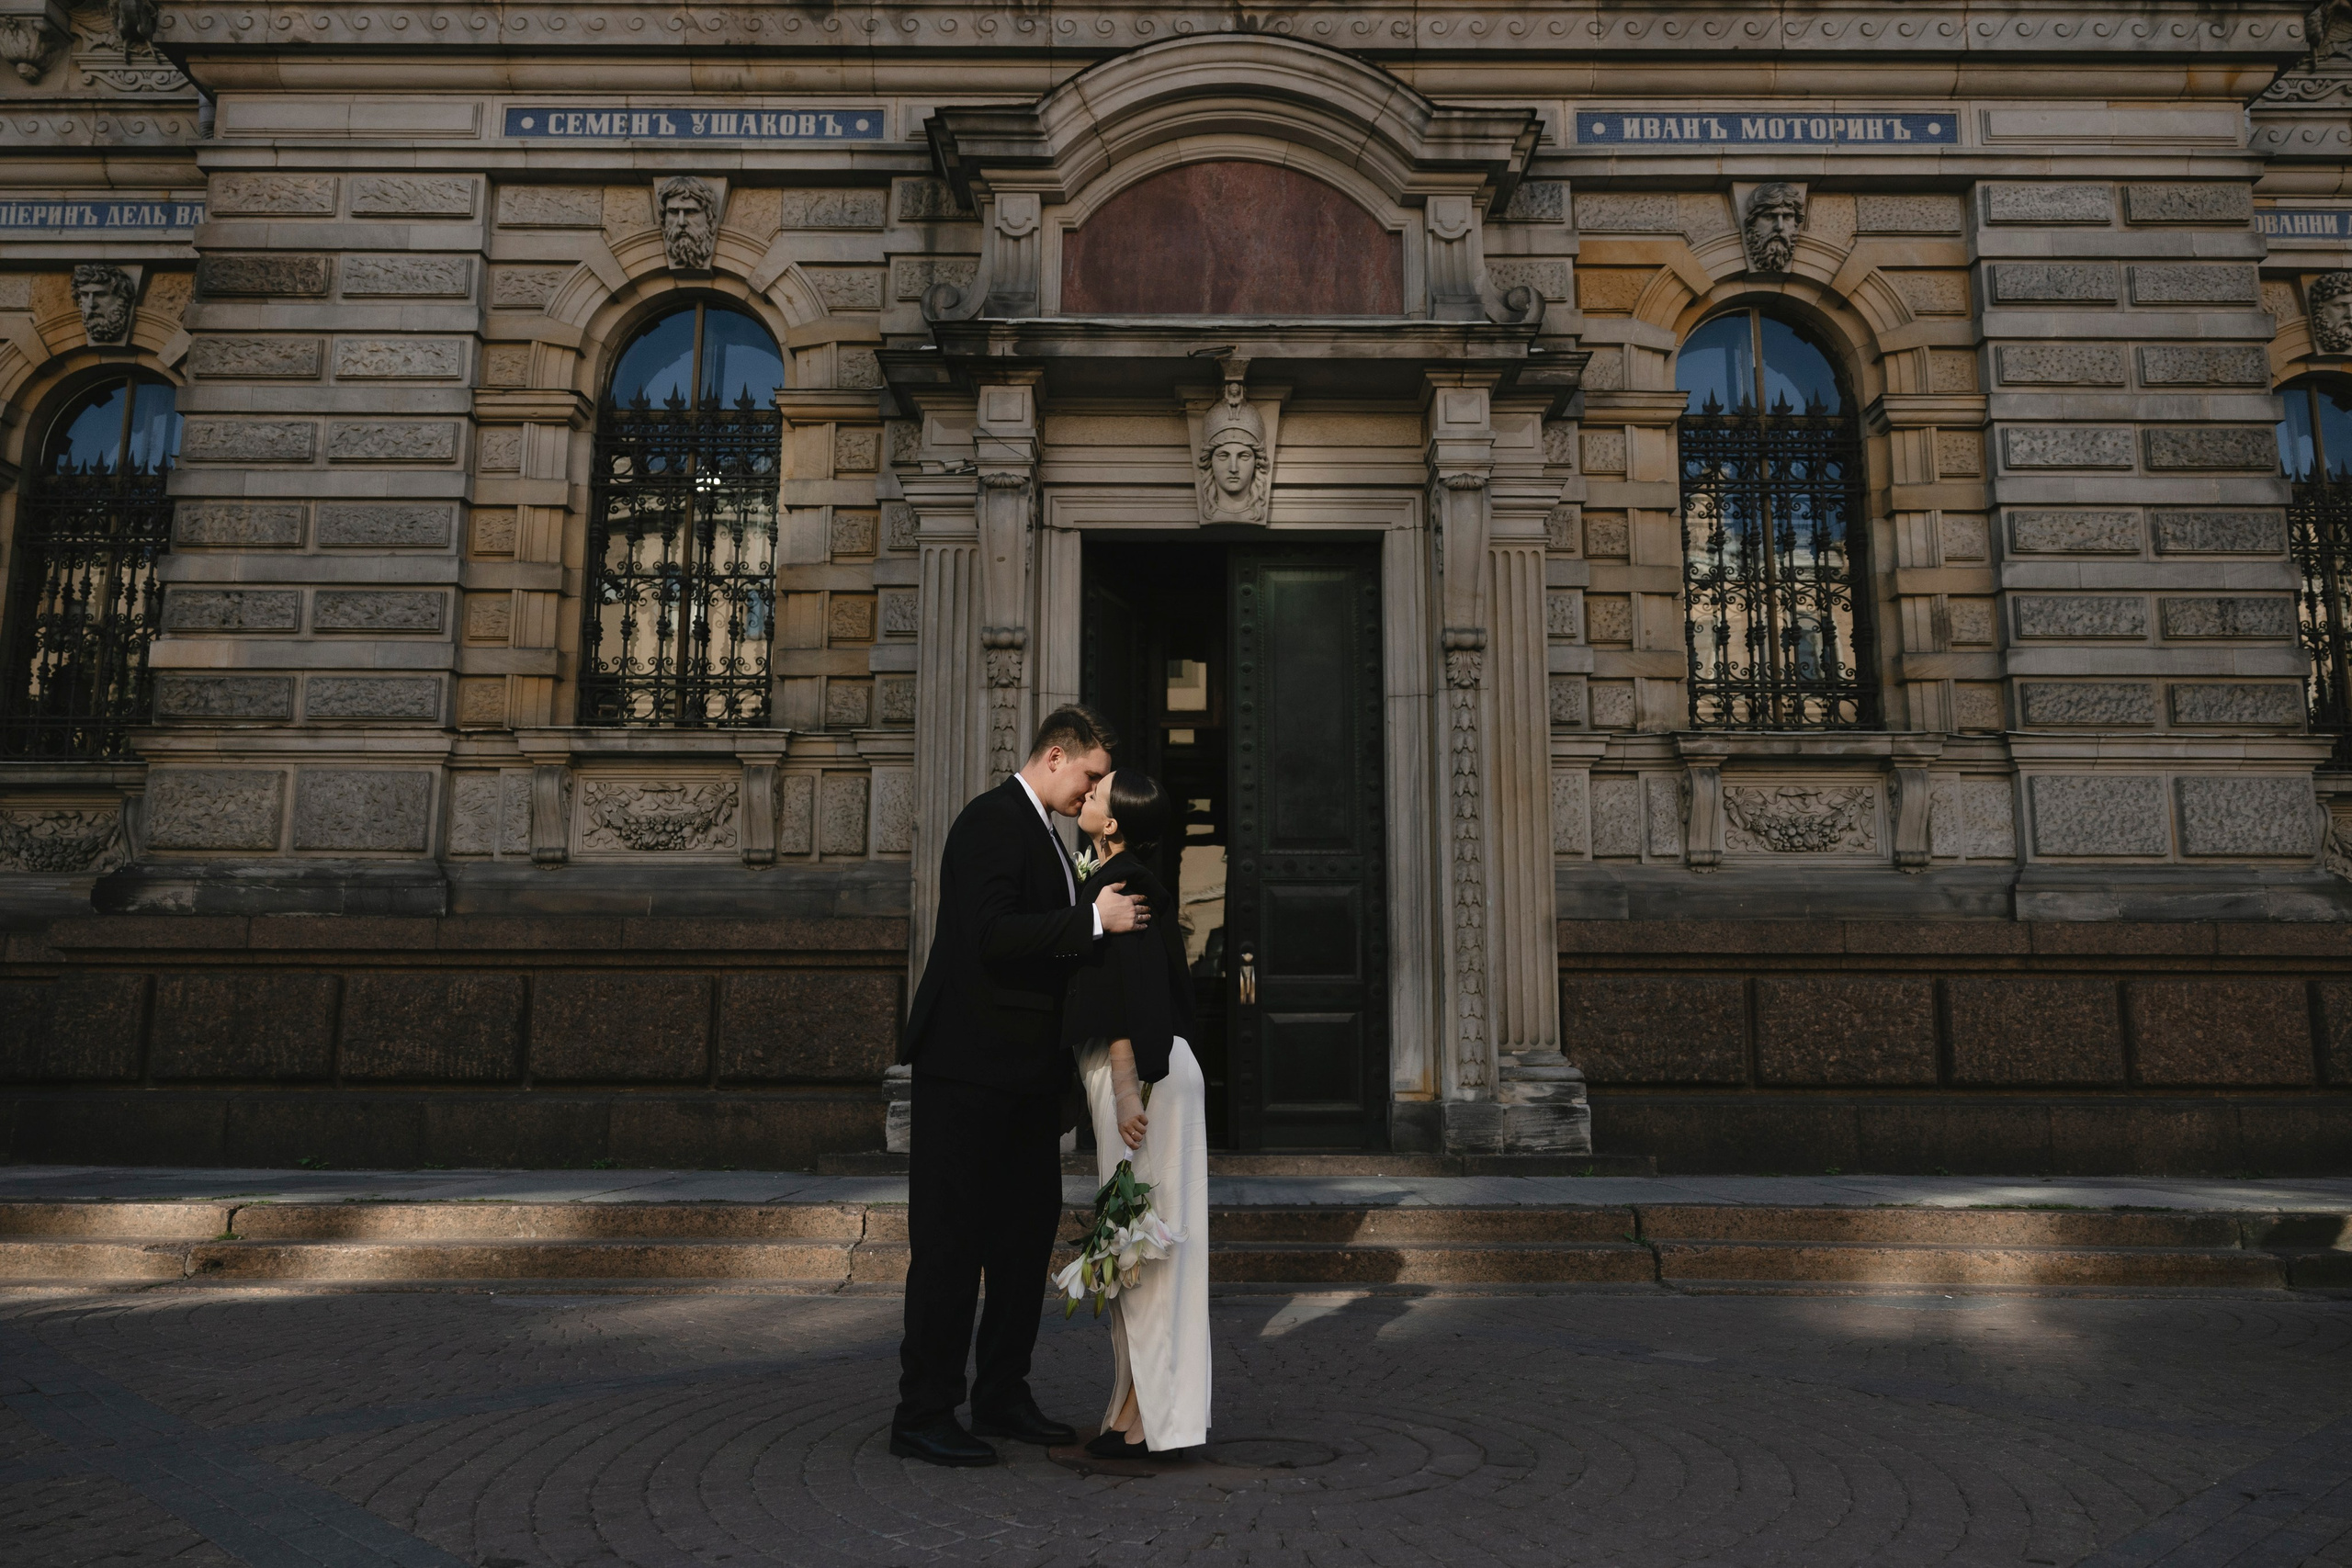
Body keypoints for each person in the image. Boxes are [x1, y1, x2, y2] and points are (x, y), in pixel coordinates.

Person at [891, 705, 1151, 1468]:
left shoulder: (1050, 832)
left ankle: (1002, 1393)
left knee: (1019, 1242)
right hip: (967, 1068)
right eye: (1092, 776)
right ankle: (924, 1410)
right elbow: (990, 934)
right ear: (1056, 755)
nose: (1095, 792)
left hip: (1028, 1080)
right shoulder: (990, 821)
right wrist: (1091, 919)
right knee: (948, 1245)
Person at [1064, 768, 1211, 1458]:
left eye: (1101, 790)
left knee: (1144, 1245)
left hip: (1143, 1077)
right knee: (1136, 1244)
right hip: (1152, 1072)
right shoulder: (1124, 879)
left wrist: (1124, 1082)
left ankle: (1153, 1414)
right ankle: (1135, 1405)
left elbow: (1127, 990)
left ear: (1115, 822)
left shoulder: (1117, 885)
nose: (1089, 790)